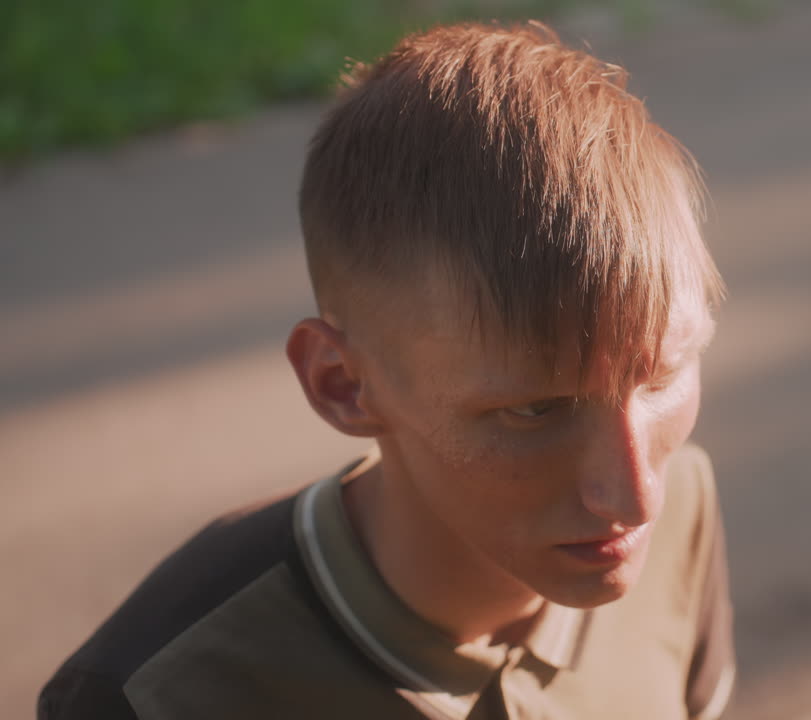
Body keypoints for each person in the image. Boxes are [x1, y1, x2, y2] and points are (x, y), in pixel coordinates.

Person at [38, 21, 735, 720]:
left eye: (661, 379)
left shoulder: (684, 511)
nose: (635, 498)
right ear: (342, 384)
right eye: (534, 410)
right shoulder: (157, 693)